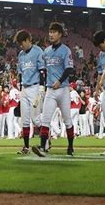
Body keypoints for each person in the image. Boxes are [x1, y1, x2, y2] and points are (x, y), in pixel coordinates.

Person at [32, 22, 75, 157]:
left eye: (54, 32)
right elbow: (43, 70)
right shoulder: (46, 51)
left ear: (60, 34)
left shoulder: (66, 50)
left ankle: (70, 146)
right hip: (50, 89)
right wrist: (42, 85)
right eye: (50, 32)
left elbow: (69, 69)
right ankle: (43, 147)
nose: (50, 34)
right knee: (45, 119)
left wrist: (60, 81)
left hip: (63, 89)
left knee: (67, 120)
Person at [14, 30, 45, 155]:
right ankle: (26, 147)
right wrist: (20, 87)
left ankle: (45, 143)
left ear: (28, 40)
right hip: (25, 88)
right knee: (25, 120)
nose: (21, 46)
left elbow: (42, 70)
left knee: (36, 119)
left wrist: (42, 87)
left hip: (35, 87)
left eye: (22, 43)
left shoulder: (38, 51)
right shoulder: (21, 55)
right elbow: (21, 73)